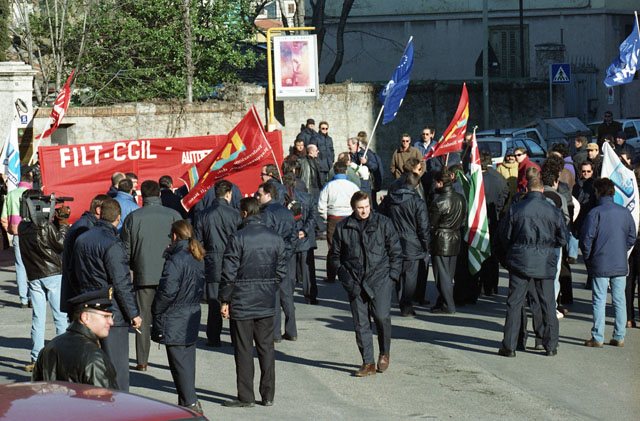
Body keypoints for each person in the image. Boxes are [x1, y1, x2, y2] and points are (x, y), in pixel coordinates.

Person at [219, 197, 287, 407]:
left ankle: (246, 396)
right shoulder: (275, 237)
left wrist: (225, 300)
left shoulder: (237, 237)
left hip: (242, 300)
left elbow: (229, 273)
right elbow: (281, 271)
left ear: (244, 213)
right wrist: (269, 287)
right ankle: (268, 395)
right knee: (266, 348)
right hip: (266, 299)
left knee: (243, 349)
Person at [329, 191, 402, 376]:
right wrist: (344, 277)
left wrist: (393, 276)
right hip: (355, 280)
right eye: (360, 208)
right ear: (353, 208)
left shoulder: (383, 223)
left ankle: (384, 352)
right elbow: (335, 256)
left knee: (381, 317)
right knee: (361, 324)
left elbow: (395, 251)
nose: (364, 211)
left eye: (367, 207)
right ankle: (368, 363)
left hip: (380, 278)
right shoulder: (344, 227)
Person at [72, 198, 141, 391]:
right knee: (117, 367)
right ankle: (119, 403)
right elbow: (121, 282)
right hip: (111, 311)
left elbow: (74, 272)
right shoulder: (113, 244)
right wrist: (133, 313)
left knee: (92, 364)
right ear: (118, 218)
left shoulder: (82, 239)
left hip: (87, 307)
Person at [498, 177, 568, 357]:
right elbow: (562, 238)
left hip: (520, 260)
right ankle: (550, 345)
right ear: (542, 190)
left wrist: (513, 250)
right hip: (544, 261)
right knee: (548, 303)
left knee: (515, 303)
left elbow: (505, 236)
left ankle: (510, 345)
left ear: (527, 190)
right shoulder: (554, 211)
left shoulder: (516, 209)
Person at [120, 180, 182, 371]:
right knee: (171, 317)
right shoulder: (173, 215)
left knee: (143, 319)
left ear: (142, 196)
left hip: (143, 275)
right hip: (170, 275)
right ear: (159, 194)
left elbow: (126, 250)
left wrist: (132, 268)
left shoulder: (133, 217)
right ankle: (176, 360)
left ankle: (142, 361)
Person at [151, 220, 205, 414]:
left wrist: (156, 309)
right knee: (187, 362)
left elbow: (168, 290)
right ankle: (187, 402)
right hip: (191, 311)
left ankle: (190, 402)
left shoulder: (177, 259)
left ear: (174, 236)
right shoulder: (197, 256)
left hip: (176, 314)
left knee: (179, 364)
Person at [580, 178, 636, 348]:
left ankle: (598, 336)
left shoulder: (595, 213)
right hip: (619, 261)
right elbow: (631, 236)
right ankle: (619, 335)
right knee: (619, 300)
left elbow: (586, 238)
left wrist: (589, 256)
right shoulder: (624, 212)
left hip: (600, 261)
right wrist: (622, 250)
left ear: (598, 192)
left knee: (599, 300)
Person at [19, 191, 69, 371]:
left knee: (38, 318)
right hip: (52, 273)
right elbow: (61, 243)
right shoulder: (45, 226)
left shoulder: (22, 227)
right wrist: (63, 224)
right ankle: (63, 358)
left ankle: (36, 358)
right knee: (60, 317)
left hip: (34, 275)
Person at [32, 288, 117, 389]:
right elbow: (104, 397)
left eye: (111, 316)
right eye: (105, 316)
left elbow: (36, 391)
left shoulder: (50, 347)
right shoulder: (94, 358)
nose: (111, 322)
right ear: (85, 317)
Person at [193, 180, 242, 347]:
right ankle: (236, 337)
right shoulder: (235, 215)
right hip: (232, 261)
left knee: (213, 301)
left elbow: (198, 242)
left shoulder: (203, 215)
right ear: (228, 194)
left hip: (211, 261)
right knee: (233, 299)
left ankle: (214, 337)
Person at [380, 173, 429, 317]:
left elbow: (380, 216)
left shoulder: (390, 199)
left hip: (394, 240)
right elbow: (423, 227)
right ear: (417, 186)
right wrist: (426, 245)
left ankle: (402, 301)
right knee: (410, 276)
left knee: (398, 272)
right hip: (412, 242)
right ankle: (406, 304)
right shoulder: (417, 202)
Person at [257, 182, 297, 342]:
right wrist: (287, 253)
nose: (257, 197)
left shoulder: (266, 213)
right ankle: (291, 331)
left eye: (259, 194)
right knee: (286, 295)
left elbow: (266, 237)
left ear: (268, 195)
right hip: (285, 257)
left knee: (273, 294)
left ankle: (275, 333)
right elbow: (293, 235)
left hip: (272, 258)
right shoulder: (286, 211)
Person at [61, 194, 110, 314]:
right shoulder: (85, 227)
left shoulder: (86, 224)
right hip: (80, 292)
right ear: (98, 210)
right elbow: (80, 263)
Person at [429, 168, 466, 314]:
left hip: (441, 239)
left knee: (442, 276)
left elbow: (432, 223)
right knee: (448, 274)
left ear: (440, 183)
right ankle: (443, 301)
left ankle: (448, 304)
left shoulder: (439, 201)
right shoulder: (460, 198)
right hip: (455, 237)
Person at [318, 161, 360, 282]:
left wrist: (326, 217)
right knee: (350, 246)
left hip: (333, 218)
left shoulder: (328, 186)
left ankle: (331, 276)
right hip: (349, 218)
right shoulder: (353, 186)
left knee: (332, 248)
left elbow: (321, 205)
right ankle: (351, 274)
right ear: (346, 172)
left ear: (335, 172)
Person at [282, 174, 318, 304]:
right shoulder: (308, 197)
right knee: (307, 271)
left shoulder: (281, 201)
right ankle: (310, 297)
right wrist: (305, 230)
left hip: (289, 239)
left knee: (290, 272)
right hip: (304, 238)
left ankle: (288, 298)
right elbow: (313, 216)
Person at [1, 171, 33, 308]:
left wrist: (11, 230)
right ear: (30, 183)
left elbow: (3, 218)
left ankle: (23, 299)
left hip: (18, 235)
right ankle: (33, 296)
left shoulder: (11, 195)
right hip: (33, 235)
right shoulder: (34, 194)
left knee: (20, 266)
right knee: (33, 265)